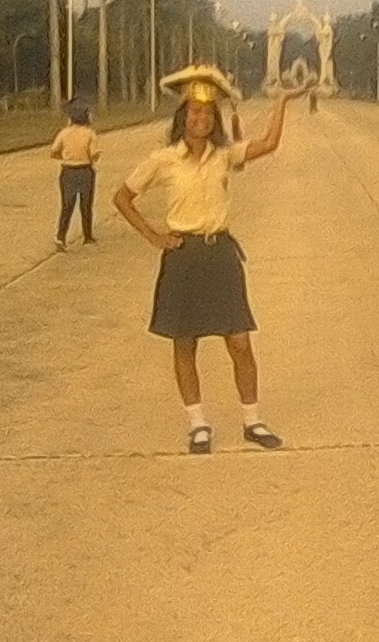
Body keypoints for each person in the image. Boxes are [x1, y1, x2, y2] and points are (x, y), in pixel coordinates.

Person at [113, 65, 309, 455]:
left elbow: (268, 143)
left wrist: (282, 101)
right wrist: (154, 236)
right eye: (194, 112)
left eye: (206, 113)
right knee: (184, 342)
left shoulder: (224, 156)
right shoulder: (163, 159)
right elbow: (122, 197)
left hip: (219, 254)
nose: (200, 118)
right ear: (182, 117)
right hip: (183, 257)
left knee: (239, 340)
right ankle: (198, 423)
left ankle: (252, 421)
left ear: (214, 120)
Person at [50, 99, 100, 249]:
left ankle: (61, 236)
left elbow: (53, 151)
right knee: (86, 205)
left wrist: (64, 157)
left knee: (67, 205)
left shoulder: (64, 133)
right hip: (85, 170)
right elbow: (93, 155)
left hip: (68, 171)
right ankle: (87, 236)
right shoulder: (89, 134)